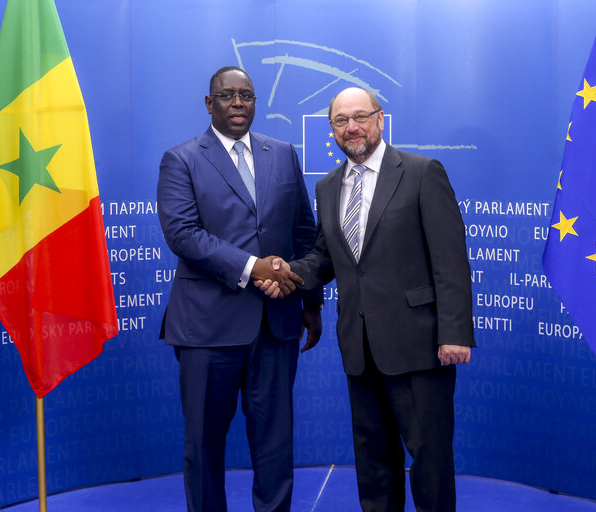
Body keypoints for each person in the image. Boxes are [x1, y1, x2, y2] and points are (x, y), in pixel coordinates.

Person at [258, 87, 475, 512]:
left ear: (380, 119)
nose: (352, 127)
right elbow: (326, 256)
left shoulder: (422, 172)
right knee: (373, 463)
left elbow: (450, 261)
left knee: (430, 463)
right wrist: (286, 273)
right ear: (332, 130)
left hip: (421, 346)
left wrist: (455, 334)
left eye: (360, 117)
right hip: (360, 347)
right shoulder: (327, 186)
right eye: (341, 121)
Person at [157, 66, 322, 512]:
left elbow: (304, 233)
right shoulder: (182, 159)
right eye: (227, 96)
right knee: (204, 446)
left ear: (255, 102)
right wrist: (254, 266)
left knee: (275, 445)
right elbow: (183, 234)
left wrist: (310, 301)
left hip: (276, 327)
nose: (237, 103)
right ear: (209, 104)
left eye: (246, 96)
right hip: (207, 329)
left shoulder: (284, 153)